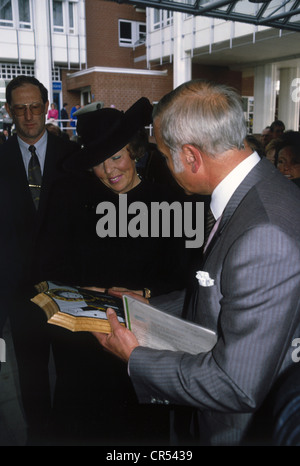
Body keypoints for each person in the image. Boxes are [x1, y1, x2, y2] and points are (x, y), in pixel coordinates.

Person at [92, 79, 300, 446]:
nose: (162, 164)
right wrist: (146, 307)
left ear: (190, 156)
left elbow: (236, 384)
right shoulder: (260, 189)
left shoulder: (262, 232)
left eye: (163, 154)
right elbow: (223, 294)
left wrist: (134, 357)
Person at [44, 97, 195, 445]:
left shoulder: (169, 202)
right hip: (87, 347)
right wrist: (82, 286)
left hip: (141, 344)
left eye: (116, 156)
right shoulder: (78, 203)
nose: (108, 170)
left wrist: (144, 294)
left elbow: (185, 274)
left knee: (137, 434)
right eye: (97, 162)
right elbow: (54, 264)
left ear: (135, 151)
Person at [0, 75, 79, 445]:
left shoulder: (74, 158)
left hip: (69, 289)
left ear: (47, 107)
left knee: (71, 374)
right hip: (19, 292)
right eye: (20, 108)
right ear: (8, 110)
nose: (29, 116)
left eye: (35, 107)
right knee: (31, 377)